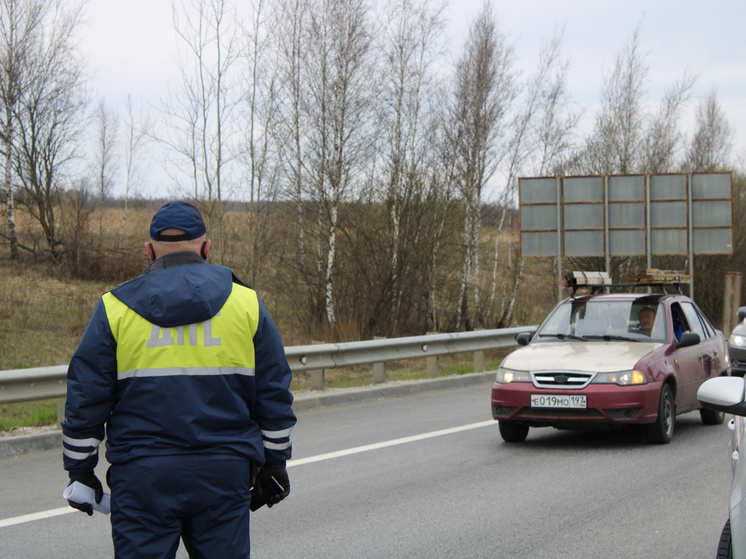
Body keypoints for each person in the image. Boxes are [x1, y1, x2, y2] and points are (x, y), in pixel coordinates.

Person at [61, 201, 296, 558]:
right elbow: (274, 390)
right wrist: (275, 464)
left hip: (142, 477)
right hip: (224, 473)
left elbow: (86, 395)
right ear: (206, 246)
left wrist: (80, 470)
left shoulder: (115, 307)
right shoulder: (246, 303)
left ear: (150, 249)